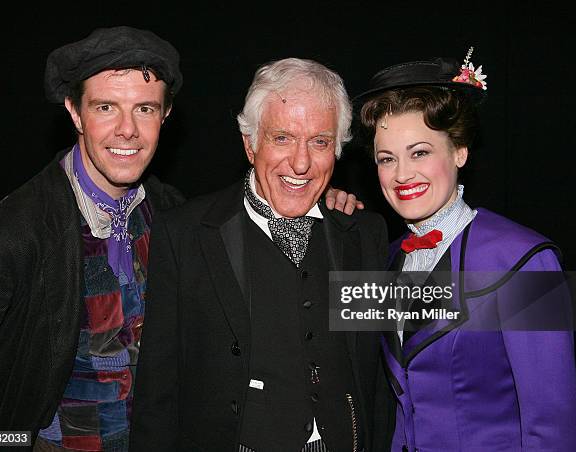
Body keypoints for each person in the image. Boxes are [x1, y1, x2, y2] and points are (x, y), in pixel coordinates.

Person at [0, 26, 361, 451]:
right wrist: (14, 445)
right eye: (105, 107)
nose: (127, 130)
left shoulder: (176, 215)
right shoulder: (6, 238)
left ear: (166, 114)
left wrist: (317, 197)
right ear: (75, 112)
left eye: (144, 109)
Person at [130, 57, 394, 452]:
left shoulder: (362, 234)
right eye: (282, 138)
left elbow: (380, 373)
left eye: (319, 142)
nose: (301, 163)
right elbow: (158, 388)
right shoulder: (185, 234)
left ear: (337, 150)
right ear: (250, 144)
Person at [355, 50, 576, 450]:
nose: (402, 174)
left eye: (420, 152)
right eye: (386, 159)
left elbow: (553, 421)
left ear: (459, 151)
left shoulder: (526, 259)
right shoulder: (386, 259)